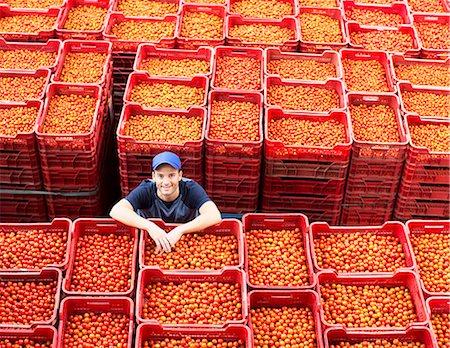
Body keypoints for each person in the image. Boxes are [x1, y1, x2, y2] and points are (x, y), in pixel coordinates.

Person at [110, 151, 222, 254]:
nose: (166, 182)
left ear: (180, 175)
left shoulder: (190, 189)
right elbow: (117, 210)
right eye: (160, 176)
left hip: (187, 240)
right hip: (151, 241)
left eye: (171, 175)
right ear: (153, 176)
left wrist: (180, 230)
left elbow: (214, 215)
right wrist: (150, 227)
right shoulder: (146, 190)